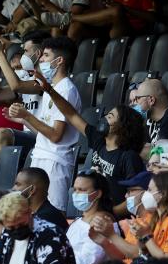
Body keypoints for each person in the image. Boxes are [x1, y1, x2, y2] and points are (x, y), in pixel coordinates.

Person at [35, 72, 145, 207]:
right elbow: (71, 114)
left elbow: (137, 196)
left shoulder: (128, 158)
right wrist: (50, 90)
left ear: (122, 127)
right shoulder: (99, 140)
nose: (104, 118)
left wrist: (112, 213)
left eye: (110, 116)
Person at [8, 37, 82, 210]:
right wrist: (23, 118)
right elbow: (43, 131)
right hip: (41, 156)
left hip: (56, 162)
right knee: (33, 212)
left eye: (46, 56)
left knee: (52, 213)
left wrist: (27, 115)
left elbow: (55, 135)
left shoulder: (66, 90)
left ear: (59, 60)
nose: (40, 59)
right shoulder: (50, 88)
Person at [93, 172, 168, 264]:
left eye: (149, 190)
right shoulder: (158, 219)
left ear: (162, 194)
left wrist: (146, 237)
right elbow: (146, 254)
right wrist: (141, 239)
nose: (146, 194)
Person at [66, 171, 116, 264]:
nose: (76, 194)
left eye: (82, 190)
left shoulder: (102, 222)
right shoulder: (79, 220)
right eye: (75, 190)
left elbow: (86, 263)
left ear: (98, 194)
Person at [12, 167, 69, 233]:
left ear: (32, 189)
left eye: (18, 184)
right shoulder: (36, 213)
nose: (13, 188)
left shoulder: (47, 217)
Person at [132, 78, 168, 147]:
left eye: (138, 98)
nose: (135, 103)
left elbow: (162, 153)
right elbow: (147, 148)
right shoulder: (150, 120)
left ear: (151, 100)